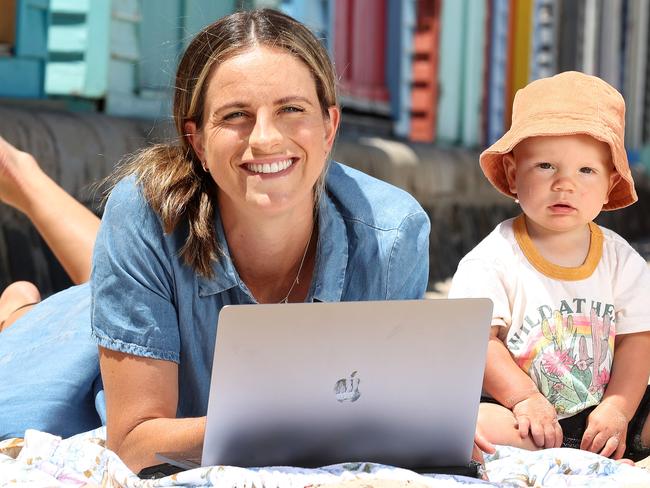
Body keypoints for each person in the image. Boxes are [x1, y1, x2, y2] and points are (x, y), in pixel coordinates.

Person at [1, 8, 494, 475]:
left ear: (330, 125)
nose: (265, 139)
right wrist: (310, 423)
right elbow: (132, 443)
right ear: (195, 139)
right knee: (39, 366)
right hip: (84, 365)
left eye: (291, 109)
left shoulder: (391, 232)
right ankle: (17, 313)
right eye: (235, 115)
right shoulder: (142, 211)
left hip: (146, 304)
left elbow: (389, 412)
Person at [449, 71, 650, 462]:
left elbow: (637, 339)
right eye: (545, 166)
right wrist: (524, 398)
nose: (564, 184)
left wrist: (617, 410)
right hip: (522, 414)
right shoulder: (493, 259)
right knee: (469, 424)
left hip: (606, 410)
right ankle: (547, 447)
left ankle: (614, 440)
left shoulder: (619, 259)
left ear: (610, 184)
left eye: (586, 171)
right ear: (512, 173)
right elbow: (480, 341)